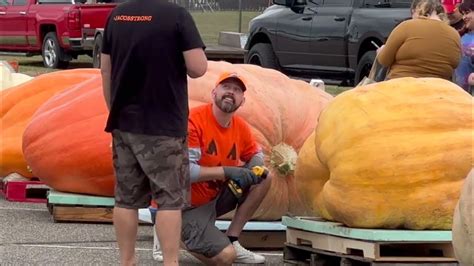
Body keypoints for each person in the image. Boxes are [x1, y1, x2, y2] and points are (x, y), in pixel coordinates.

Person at [100, 0, 207, 264]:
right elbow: (198, 67)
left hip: (125, 123)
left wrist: (113, 110)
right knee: (169, 199)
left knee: (125, 198)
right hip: (164, 125)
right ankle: (170, 262)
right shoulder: (177, 15)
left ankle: (127, 260)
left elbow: (105, 68)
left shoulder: (117, 16)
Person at [153, 72, 272, 265]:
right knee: (225, 258)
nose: (231, 92)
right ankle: (171, 233)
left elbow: (255, 153)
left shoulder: (240, 127)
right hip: (185, 206)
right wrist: (228, 171)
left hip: (215, 199)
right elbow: (185, 173)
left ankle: (232, 239)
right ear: (213, 92)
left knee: (265, 178)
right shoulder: (193, 121)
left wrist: (257, 165)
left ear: (242, 100)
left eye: (237, 90)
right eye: (226, 87)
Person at [373, 0, 461, 81]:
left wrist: (381, 51)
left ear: (418, 10)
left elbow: (384, 60)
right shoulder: (454, 34)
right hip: (439, 88)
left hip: (401, 85)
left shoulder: (406, 26)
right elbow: (456, 64)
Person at [454, 0, 474, 93]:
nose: (464, 17)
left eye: (467, 12)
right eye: (463, 14)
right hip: (457, 93)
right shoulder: (460, 36)